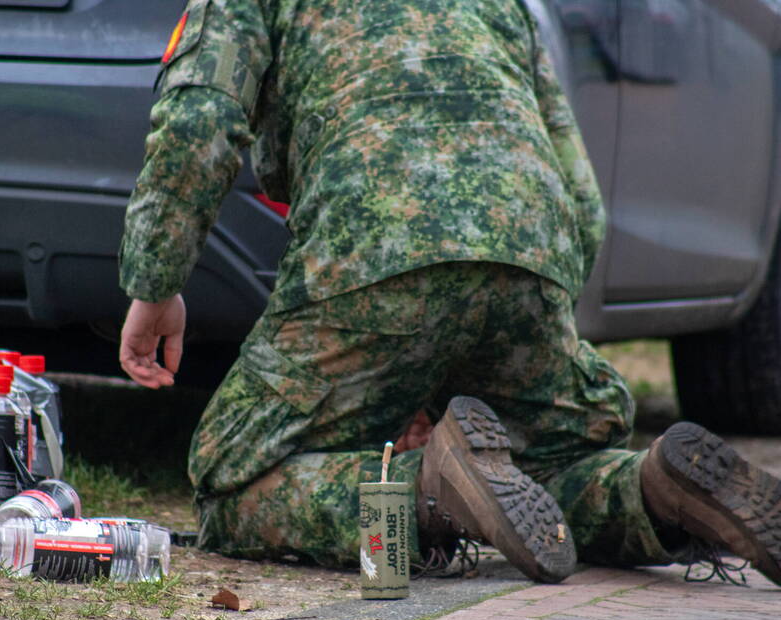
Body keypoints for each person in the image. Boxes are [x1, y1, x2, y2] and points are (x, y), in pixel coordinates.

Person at [118, 0, 781, 585]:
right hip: (530, 247)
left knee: (233, 478)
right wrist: (537, 324)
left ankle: (429, 492)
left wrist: (156, 286)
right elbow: (581, 195)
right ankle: (652, 491)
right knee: (550, 462)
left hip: (374, 250)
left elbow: (196, 125)